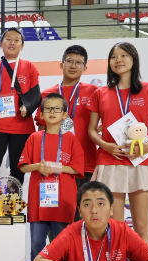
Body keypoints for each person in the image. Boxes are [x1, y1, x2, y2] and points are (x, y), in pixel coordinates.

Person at [31, 181, 148, 261]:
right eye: (87, 205)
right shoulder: (71, 232)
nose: (94, 210)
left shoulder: (122, 230)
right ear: (79, 211)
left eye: (100, 204)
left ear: (111, 209)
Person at [88, 42, 148, 246]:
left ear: (134, 60)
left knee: (141, 225)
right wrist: (105, 145)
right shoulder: (101, 93)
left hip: (140, 162)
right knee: (113, 225)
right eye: (114, 57)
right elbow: (91, 130)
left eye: (124, 55)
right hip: (110, 161)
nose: (119, 60)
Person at [18, 93, 84, 261]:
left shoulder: (71, 139)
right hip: (39, 204)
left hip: (63, 204)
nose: (52, 112)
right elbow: (23, 166)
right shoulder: (34, 137)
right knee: (37, 245)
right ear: (41, 113)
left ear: (65, 115)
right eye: (48, 108)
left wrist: (56, 167)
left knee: (64, 246)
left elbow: (78, 168)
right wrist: (38, 166)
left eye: (57, 109)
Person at [0, 27, 41, 187]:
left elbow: (36, 94)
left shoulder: (29, 67)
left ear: (22, 46)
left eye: (16, 40)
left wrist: (27, 107)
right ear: (0, 44)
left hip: (22, 127)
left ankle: (13, 202)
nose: (12, 43)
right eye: (8, 39)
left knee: (18, 168)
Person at [35, 45, 97, 191]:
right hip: (54, 162)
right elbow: (41, 130)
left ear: (85, 68)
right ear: (61, 64)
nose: (73, 66)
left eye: (78, 62)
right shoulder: (47, 95)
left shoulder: (94, 92)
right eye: (69, 61)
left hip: (85, 162)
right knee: (56, 211)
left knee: (82, 211)